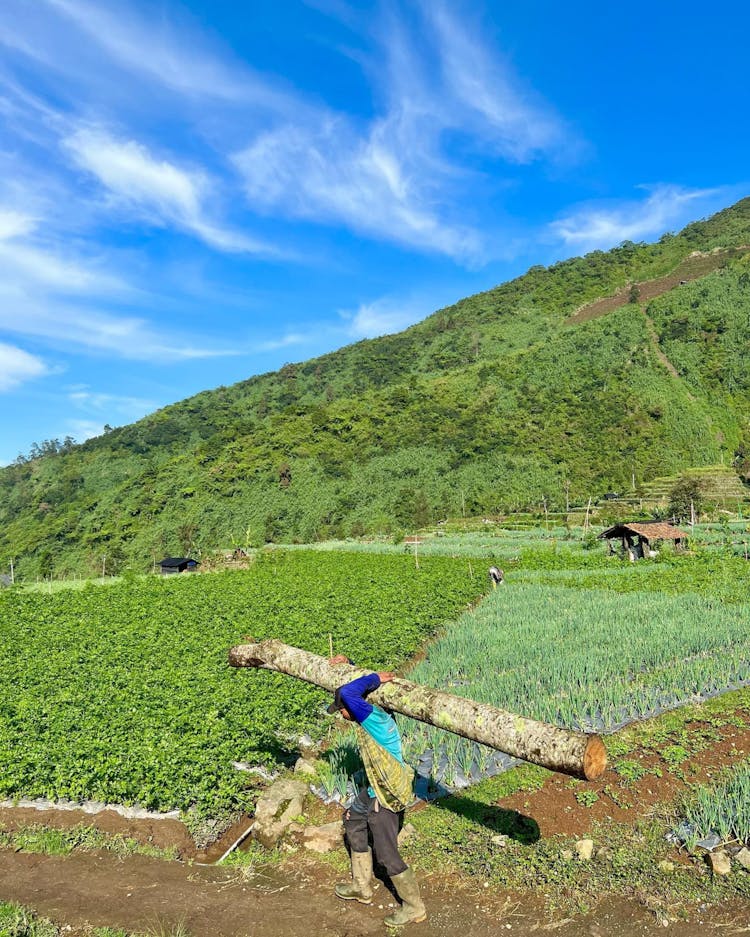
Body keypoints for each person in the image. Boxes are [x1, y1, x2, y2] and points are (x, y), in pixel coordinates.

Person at [327, 655, 426, 927]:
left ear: (353, 707)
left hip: (387, 792)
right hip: (373, 789)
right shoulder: (372, 713)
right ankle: (362, 887)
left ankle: (414, 907)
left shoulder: (372, 720)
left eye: (342, 710)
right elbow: (353, 690)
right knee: (352, 820)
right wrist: (348, 663)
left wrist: (374, 678)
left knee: (386, 854)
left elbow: (349, 692)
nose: (343, 716)